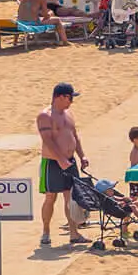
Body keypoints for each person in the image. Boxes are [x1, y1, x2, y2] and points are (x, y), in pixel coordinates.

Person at [37, 83, 88, 247]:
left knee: (71, 198)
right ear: (60, 97)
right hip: (52, 162)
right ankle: (45, 231)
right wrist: (60, 160)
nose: (71, 102)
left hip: (70, 161)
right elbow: (48, 140)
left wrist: (82, 155)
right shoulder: (45, 116)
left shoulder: (69, 114)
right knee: (51, 197)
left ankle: (74, 233)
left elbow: (75, 136)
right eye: (70, 97)